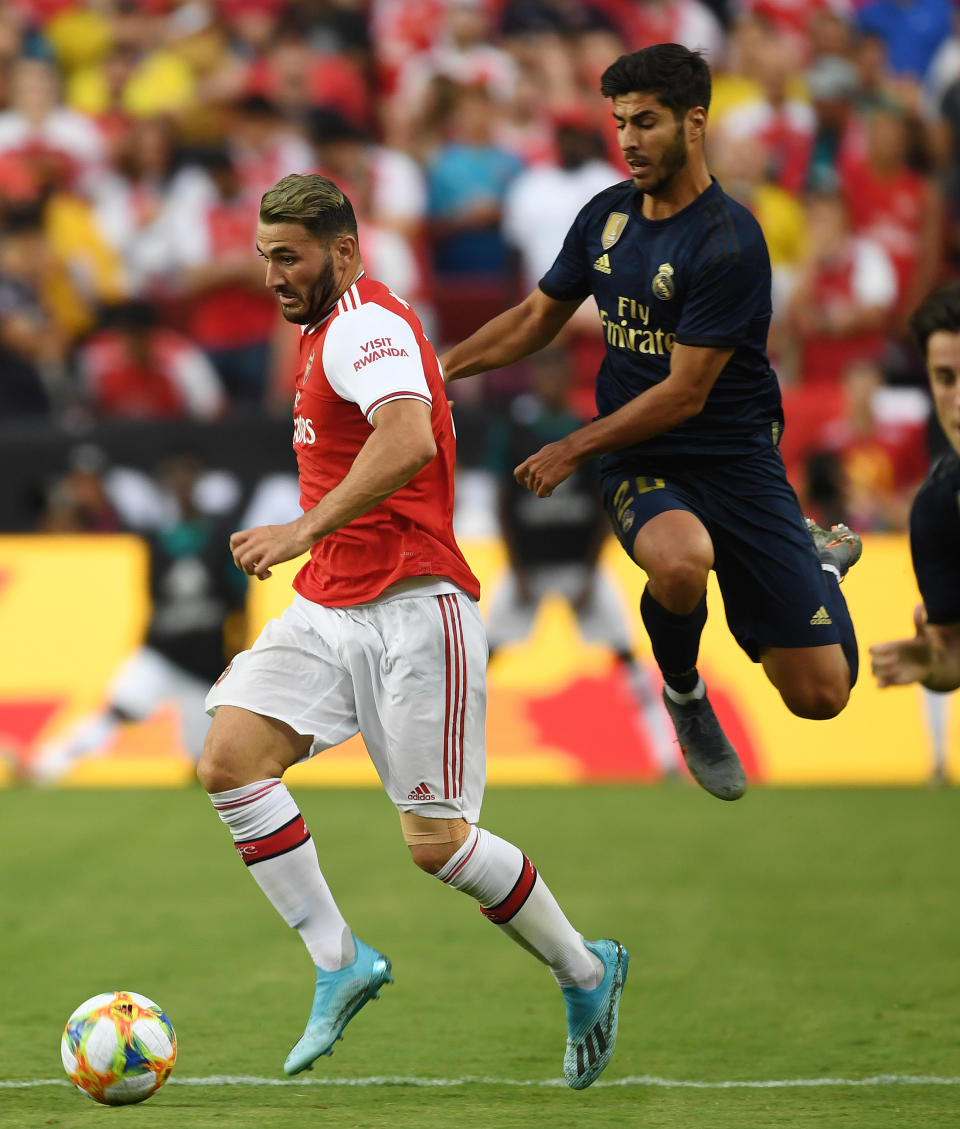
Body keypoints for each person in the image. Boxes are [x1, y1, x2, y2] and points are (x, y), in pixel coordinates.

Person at [197, 172, 627, 1088]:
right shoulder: (324, 329)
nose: (273, 275)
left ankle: (585, 968)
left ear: (343, 252)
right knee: (230, 758)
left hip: (415, 607)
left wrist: (299, 529)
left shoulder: (364, 325)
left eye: (289, 256)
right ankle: (338, 959)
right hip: (330, 604)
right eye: (264, 257)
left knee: (436, 844)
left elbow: (409, 438)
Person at [439, 43, 864, 803]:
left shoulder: (729, 241)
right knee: (680, 559)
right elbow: (539, 317)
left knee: (822, 696)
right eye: (620, 122)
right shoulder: (605, 216)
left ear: (694, 123)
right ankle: (685, 696)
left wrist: (571, 444)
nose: (629, 139)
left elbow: (685, 392)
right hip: (642, 458)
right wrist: (439, 371)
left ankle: (819, 565)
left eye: (647, 122)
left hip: (735, 461)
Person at [485, 348, 680, 778]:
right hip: (527, 567)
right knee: (480, 659)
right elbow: (502, 502)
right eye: (545, 374)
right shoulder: (515, 431)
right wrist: (515, 567)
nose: (551, 383)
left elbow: (605, 504)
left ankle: (667, 759)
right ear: (535, 379)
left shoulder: (585, 431)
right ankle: (449, 758)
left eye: (559, 374)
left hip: (581, 565)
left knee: (629, 659)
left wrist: (593, 569)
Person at [32, 449, 248, 782]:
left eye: (186, 480)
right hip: (161, 652)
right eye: (174, 481)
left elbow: (240, 604)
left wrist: (235, 657)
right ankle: (49, 763)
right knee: (117, 709)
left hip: (205, 667)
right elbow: (153, 602)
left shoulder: (222, 539)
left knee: (206, 763)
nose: (180, 488)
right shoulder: (158, 542)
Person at [870, 282, 960, 708]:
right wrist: (931, 665)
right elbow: (952, 651)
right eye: (945, 378)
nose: (958, 401)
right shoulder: (936, 508)